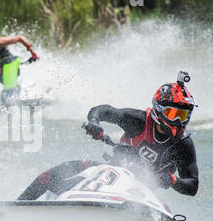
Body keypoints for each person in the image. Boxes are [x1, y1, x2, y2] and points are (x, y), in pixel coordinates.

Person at [18, 71, 199, 200]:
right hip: (109, 175)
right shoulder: (138, 121)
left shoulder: (183, 144)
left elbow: (192, 186)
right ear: (159, 109)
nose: (177, 120)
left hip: (140, 193)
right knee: (55, 174)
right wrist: (94, 122)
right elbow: (102, 110)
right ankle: (17, 207)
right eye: (173, 113)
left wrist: (173, 180)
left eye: (183, 115)